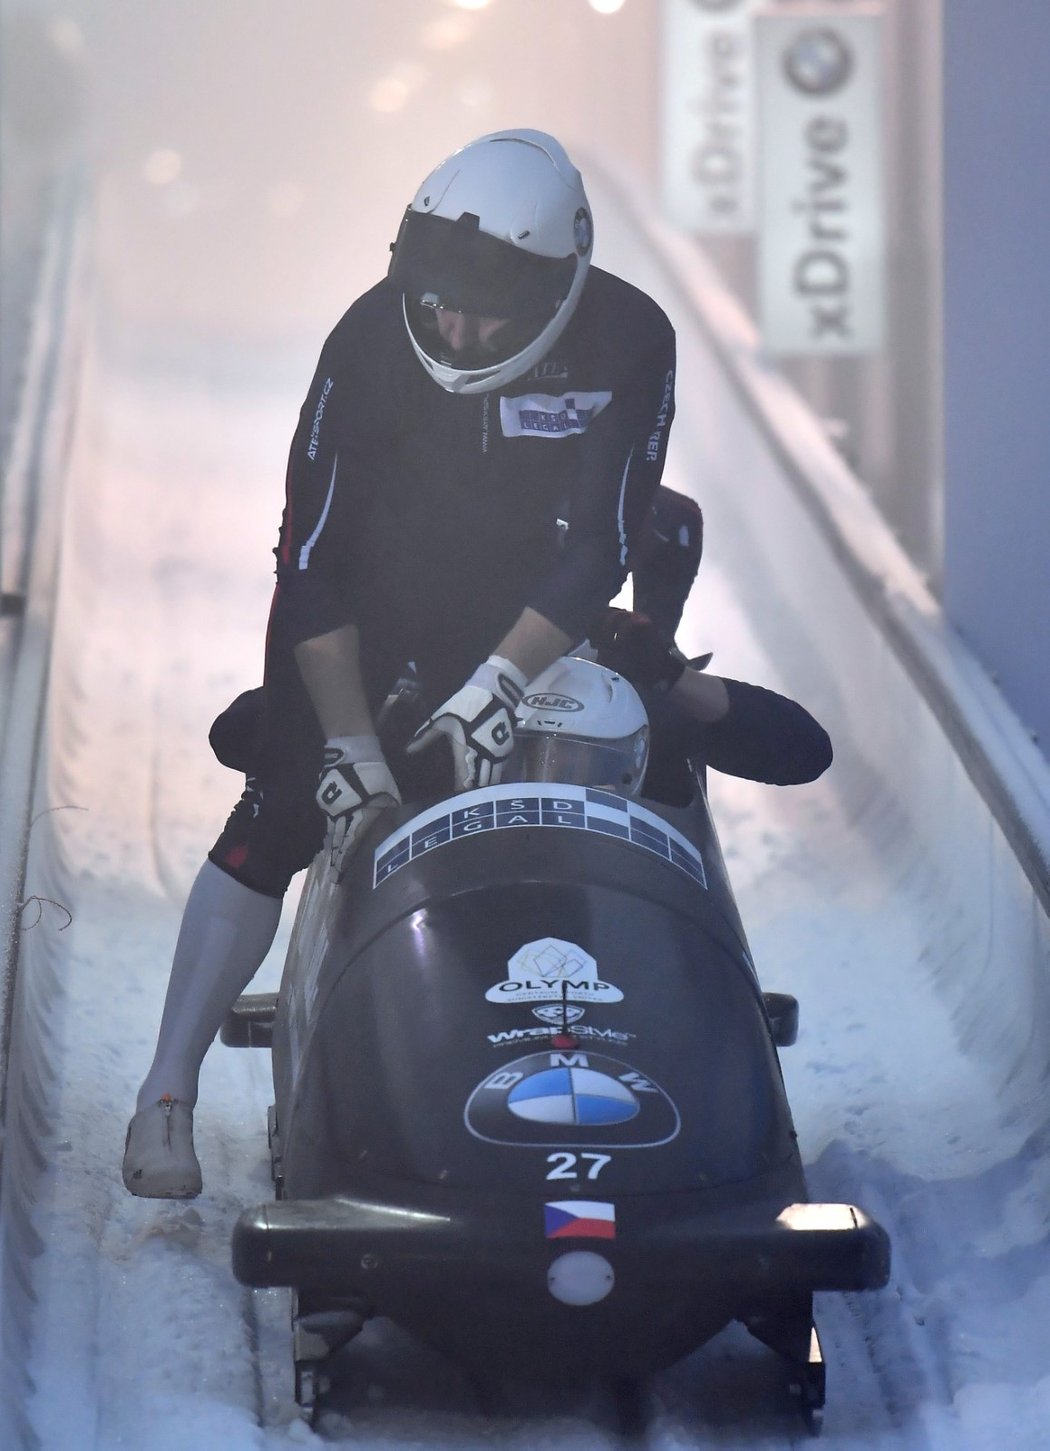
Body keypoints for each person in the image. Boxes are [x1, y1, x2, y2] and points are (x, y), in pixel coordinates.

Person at [122, 128, 680, 1199]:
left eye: (483, 308)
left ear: (561, 283)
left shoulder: (632, 337)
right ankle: (166, 1090)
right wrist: (343, 739)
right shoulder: (374, 338)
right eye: (437, 299)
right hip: (367, 613)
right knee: (286, 803)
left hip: (529, 616)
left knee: (591, 768)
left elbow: (604, 540)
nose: (456, 326)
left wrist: (503, 683)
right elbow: (312, 558)